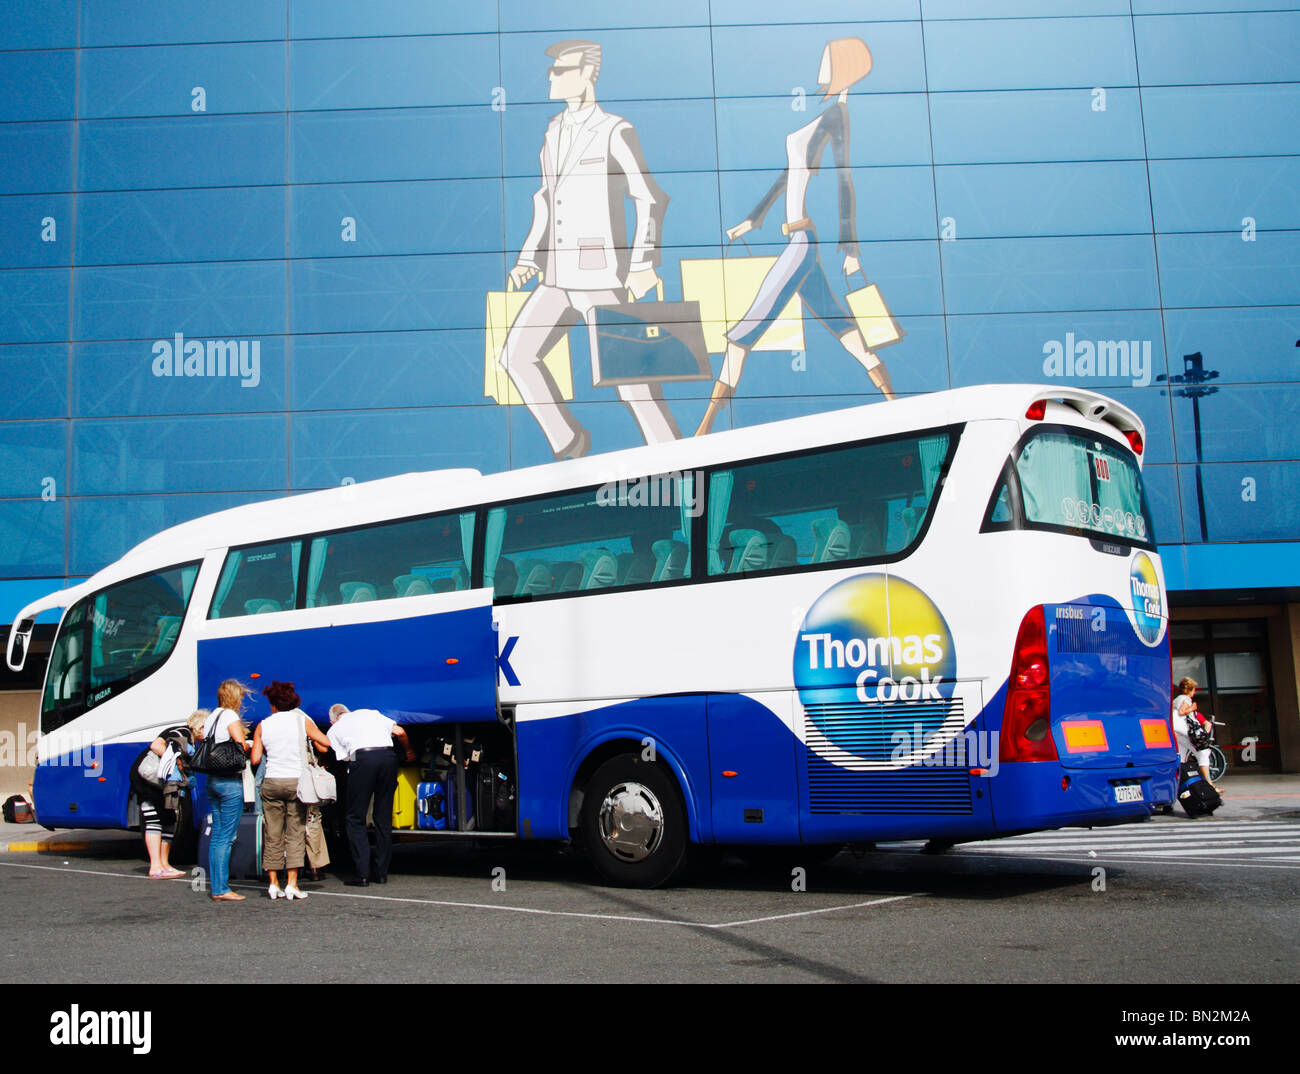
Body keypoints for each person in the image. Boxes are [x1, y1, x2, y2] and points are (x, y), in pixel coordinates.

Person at [695, 38, 896, 437]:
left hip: (802, 244)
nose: (821, 62)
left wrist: (850, 249)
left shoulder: (837, 114)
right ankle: (893, 400)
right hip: (799, 241)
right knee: (843, 327)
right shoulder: (827, 113)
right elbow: (789, 174)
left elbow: (844, 179)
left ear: (843, 65)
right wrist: (753, 219)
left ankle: (704, 428)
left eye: (828, 57)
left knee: (744, 329)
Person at [500, 38, 679, 459]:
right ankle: (568, 443)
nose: (552, 76)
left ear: (588, 75)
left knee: (631, 381)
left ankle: (674, 458)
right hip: (556, 277)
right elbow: (544, 200)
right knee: (516, 355)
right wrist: (528, 258)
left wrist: (642, 263)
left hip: (600, 276)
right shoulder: (552, 132)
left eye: (562, 70)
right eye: (552, 69)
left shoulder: (615, 130)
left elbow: (651, 197)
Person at [250, 681, 331, 901]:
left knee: (273, 833)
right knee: (295, 833)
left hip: (272, 782)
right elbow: (324, 741)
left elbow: (256, 758)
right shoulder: (301, 720)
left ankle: (273, 883)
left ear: (274, 704)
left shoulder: (263, 725)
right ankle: (292, 884)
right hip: (296, 782)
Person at [327, 703, 415, 887]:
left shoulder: (334, 730)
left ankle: (362, 874)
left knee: (355, 817)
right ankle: (381, 873)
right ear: (348, 711)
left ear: (332, 720)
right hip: (388, 757)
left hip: (362, 759)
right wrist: (408, 751)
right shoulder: (371, 714)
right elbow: (400, 732)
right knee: (383, 817)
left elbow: (346, 758)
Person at [130, 710, 205, 879]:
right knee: (153, 817)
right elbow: (156, 746)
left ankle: (165, 864)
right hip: (148, 779)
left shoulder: (192, 740)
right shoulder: (181, 731)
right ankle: (156, 866)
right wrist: (173, 761)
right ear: (200, 726)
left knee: (169, 818)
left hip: (162, 782)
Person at [203, 679, 251, 901]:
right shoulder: (230, 716)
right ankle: (221, 889)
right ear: (233, 696)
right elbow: (239, 743)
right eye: (240, 695)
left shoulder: (212, 716)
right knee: (227, 836)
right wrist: (248, 744)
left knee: (217, 836)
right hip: (229, 783)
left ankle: (217, 885)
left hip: (212, 781)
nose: (242, 699)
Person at [1172, 676, 1221, 795]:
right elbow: (1182, 712)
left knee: (1182, 759)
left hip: (1177, 732)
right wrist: (1192, 707)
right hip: (1185, 731)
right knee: (1203, 752)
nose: (1194, 692)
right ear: (1189, 689)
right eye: (1194, 690)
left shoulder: (1176, 699)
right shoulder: (1186, 699)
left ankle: (1178, 785)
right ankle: (1210, 785)